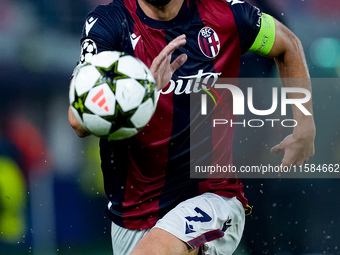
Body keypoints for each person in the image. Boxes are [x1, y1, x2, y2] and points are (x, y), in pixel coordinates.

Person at [68, 0, 315, 254]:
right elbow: (78, 121)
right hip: (134, 213)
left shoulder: (226, 13)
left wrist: (304, 124)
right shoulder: (109, 24)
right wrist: (143, 90)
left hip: (213, 196)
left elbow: (287, 43)